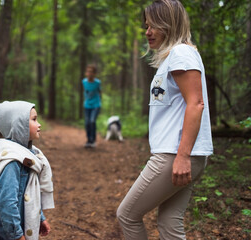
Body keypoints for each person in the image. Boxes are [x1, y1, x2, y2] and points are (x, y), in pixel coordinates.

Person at [116, 0, 213, 239]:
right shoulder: (177, 56)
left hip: (174, 155)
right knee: (170, 222)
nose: (147, 32)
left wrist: (182, 156)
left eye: (153, 26)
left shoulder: (181, 53)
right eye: (146, 26)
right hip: (182, 155)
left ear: (169, 25)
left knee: (127, 215)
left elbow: (196, 103)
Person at [0, 101, 54, 240]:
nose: (39, 124)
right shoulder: (12, 163)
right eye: (33, 119)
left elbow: (30, 195)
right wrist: (17, 236)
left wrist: (40, 218)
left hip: (18, 229)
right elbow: (7, 204)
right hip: (8, 234)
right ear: (19, 125)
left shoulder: (29, 155)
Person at [82, 64, 102, 148]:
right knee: (87, 123)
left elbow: (100, 93)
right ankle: (88, 140)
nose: (89, 73)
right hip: (87, 105)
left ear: (94, 73)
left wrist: (99, 103)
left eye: (91, 72)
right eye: (88, 71)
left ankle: (93, 140)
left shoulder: (97, 83)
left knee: (92, 121)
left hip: (96, 105)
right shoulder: (84, 81)